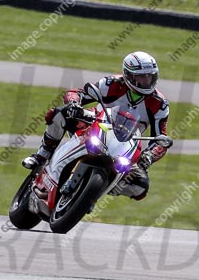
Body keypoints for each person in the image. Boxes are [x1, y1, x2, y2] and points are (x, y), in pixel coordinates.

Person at [22, 51, 170, 200]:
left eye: (150, 76)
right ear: (128, 75)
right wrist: (74, 104)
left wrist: (149, 156)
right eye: (141, 76)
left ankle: (97, 190)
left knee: (141, 186)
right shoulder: (112, 83)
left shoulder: (160, 104)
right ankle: (42, 155)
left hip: (125, 145)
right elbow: (77, 93)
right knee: (59, 113)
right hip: (94, 124)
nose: (147, 81)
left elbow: (161, 139)